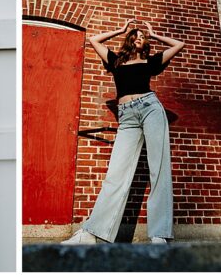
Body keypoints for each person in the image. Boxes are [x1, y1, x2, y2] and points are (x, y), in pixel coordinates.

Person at [64, 19, 185, 244]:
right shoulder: (116, 61)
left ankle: (159, 235)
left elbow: (179, 45)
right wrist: (120, 30)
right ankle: (92, 233)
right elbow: (94, 40)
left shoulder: (151, 62)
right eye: (136, 35)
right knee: (115, 173)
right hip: (127, 117)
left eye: (143, 37)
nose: (139, 38)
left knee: (158, 169)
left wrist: (154, 34)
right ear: (129, 40)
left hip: (150, 109)